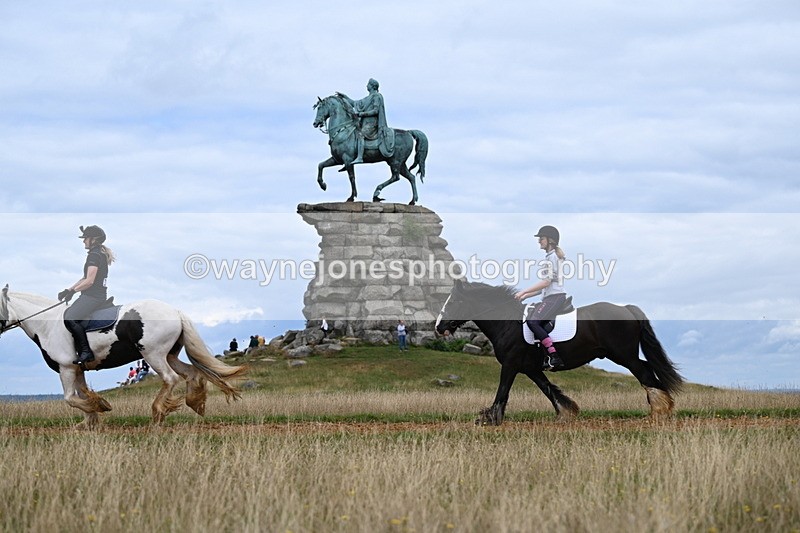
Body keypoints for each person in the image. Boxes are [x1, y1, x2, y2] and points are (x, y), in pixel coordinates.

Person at [57, 225, 115, 365]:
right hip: (94, 295)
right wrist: (69, 289)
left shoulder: (94, 255)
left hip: (93, 297)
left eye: (85, 239)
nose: (83, 241)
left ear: (93, 240)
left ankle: (86, 351)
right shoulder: (97, 254)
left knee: (70, 318)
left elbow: (89, 281)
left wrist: (73, 292)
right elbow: (84, 278)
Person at [515, 225, 568, 371]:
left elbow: (546, 282)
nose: (539, 241)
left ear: (550, 240)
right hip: (550, 297)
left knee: (533, 322)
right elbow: (544, 288)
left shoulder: (551, 258)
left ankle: (554, 356)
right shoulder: (550, 257)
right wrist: (525, 295)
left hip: (555, 297)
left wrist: (523, 291)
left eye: (541, 238)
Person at [336, 78, 395, 170]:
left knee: (360, 134)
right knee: (352, 133)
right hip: (364, 123)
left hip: (372, 124)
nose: (366, 86)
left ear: (372, 86)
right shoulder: (367, 98)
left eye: (368, 84)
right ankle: (350, 158)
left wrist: (362, 114)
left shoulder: (377, 96)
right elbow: (355, 103)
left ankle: (360, 157)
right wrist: (345, 97)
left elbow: (376, 111)